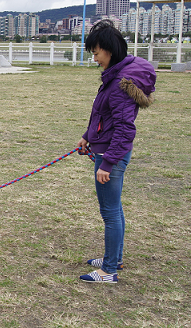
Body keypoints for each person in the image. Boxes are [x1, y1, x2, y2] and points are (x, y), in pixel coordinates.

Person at [76, 20, 156, 283]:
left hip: (112, 155)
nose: (95, 58)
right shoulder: (112, 78)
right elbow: (102, 115)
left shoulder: (120, 84)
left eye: (96, 52)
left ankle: (108, 269)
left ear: (110, 50)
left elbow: (124, 129)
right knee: (114, 209)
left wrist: (107, 164)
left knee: (109, 212)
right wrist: (87, 137)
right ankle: (115, 257)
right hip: (105, 150)